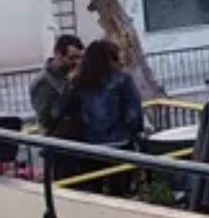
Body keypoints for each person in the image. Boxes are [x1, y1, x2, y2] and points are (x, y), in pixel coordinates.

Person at [50, 40, 145, 188]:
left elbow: (57, 112)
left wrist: (69, 85)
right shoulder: (123, 79)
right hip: (119, 146)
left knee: (95, 192)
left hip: (90, 148)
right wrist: (134, 135)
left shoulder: (79, 82)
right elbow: (134, 115)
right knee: (120, 192)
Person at [29, 34, 84, 131]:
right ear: (58, 55)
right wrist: (69, 87)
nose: (77, 62)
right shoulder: (43, 81)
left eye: (80, 58)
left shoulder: (69, 75)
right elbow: (47, 121)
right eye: (72, 58)